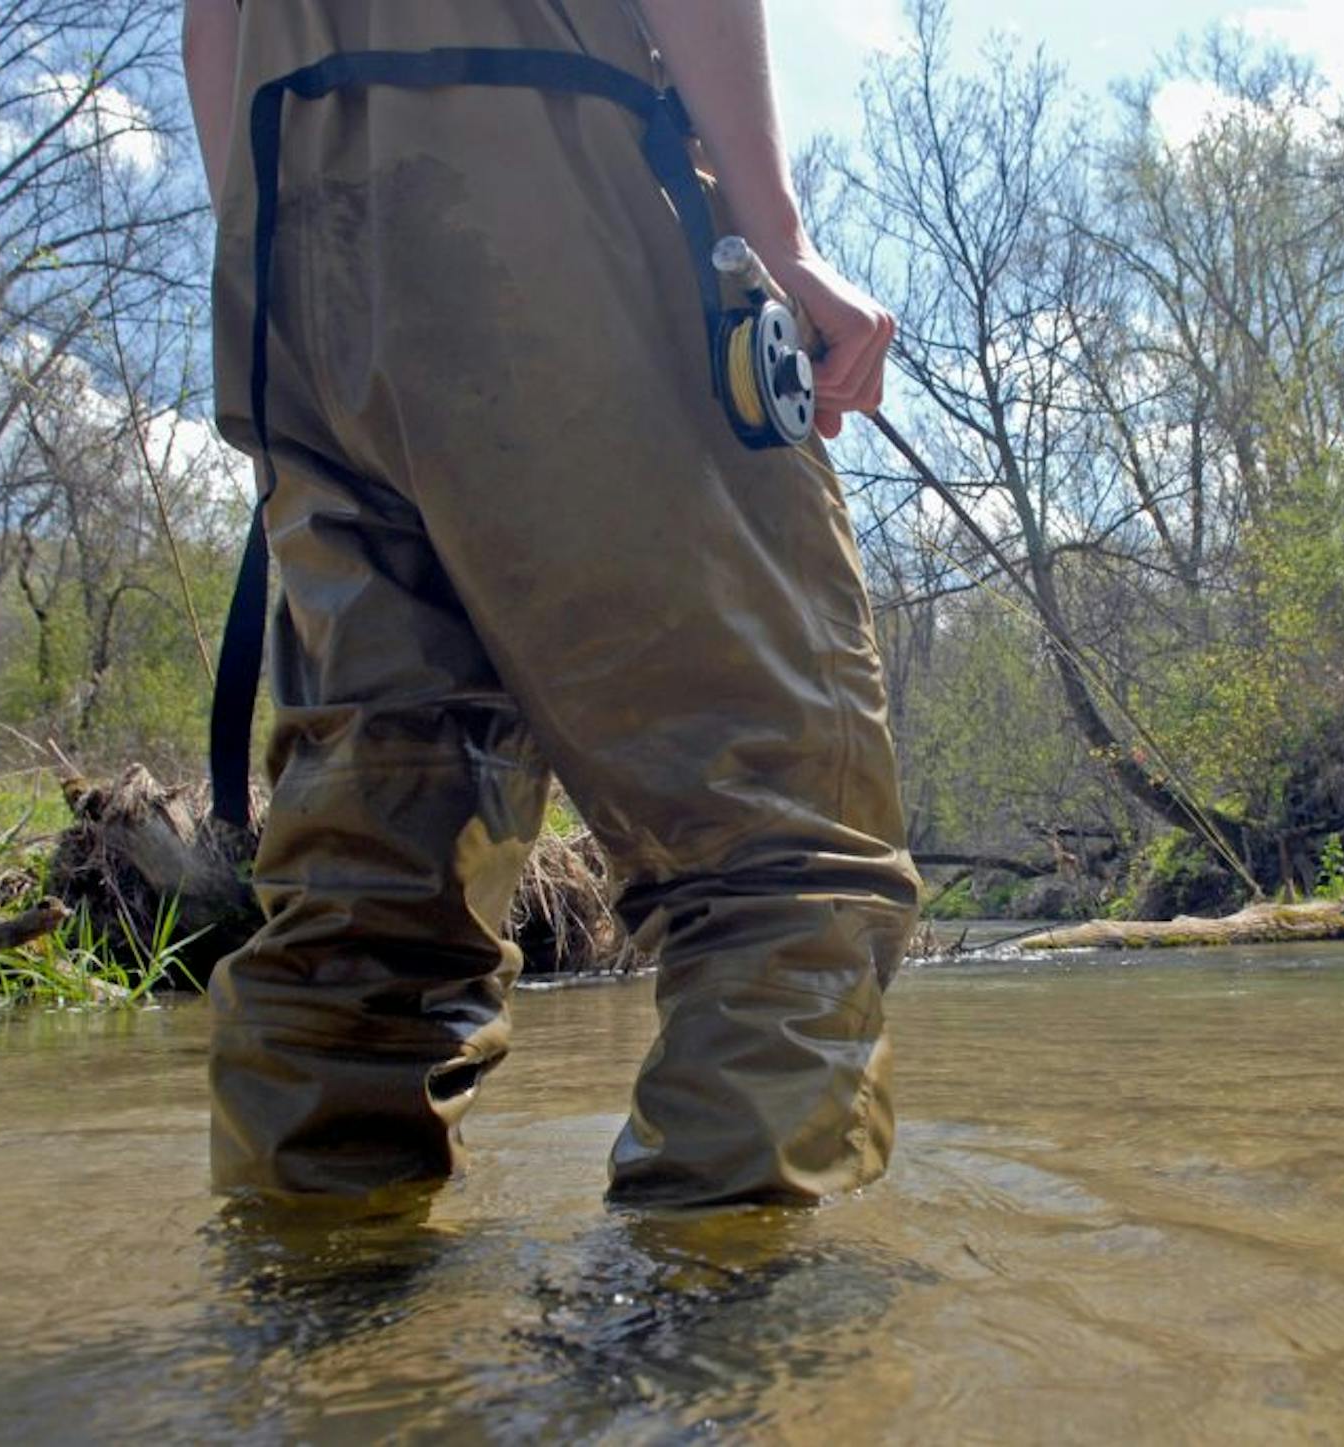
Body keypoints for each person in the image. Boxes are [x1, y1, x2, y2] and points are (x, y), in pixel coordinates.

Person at [181, 0, 918, 1206]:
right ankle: (718, 1351)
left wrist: (272, 262)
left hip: (288, 225)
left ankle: (318, 1341)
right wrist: (774, 237)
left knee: (363, 902)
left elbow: (211, 30)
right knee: (783, 851)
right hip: (550, 158)